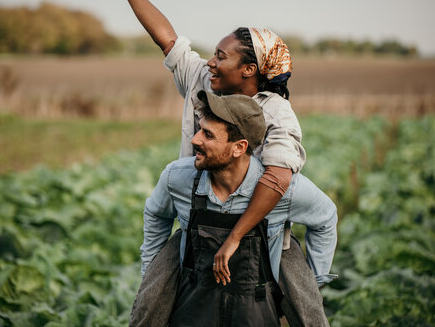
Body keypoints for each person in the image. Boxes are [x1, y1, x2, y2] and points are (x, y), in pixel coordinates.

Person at [114, 0, 337, 325]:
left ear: (249, 70)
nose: (211, 61)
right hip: (198, 214)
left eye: (221, 55)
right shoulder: (206, 81)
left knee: (308, 310)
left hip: (265, 226)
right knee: (148, 307)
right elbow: (167, 39)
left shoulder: (276, 111)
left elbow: (279, 177)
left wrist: (236, 236)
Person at [139, 91, 337, 326]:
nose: (195, 140)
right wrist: (150, 266)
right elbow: (156, 213)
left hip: (255, 313)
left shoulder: (285, 190)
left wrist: (314, 279)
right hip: (193, 309)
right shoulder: (177, 178)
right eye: (200, 130)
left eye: (208, 135)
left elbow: (326, 217)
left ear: (239, 147)